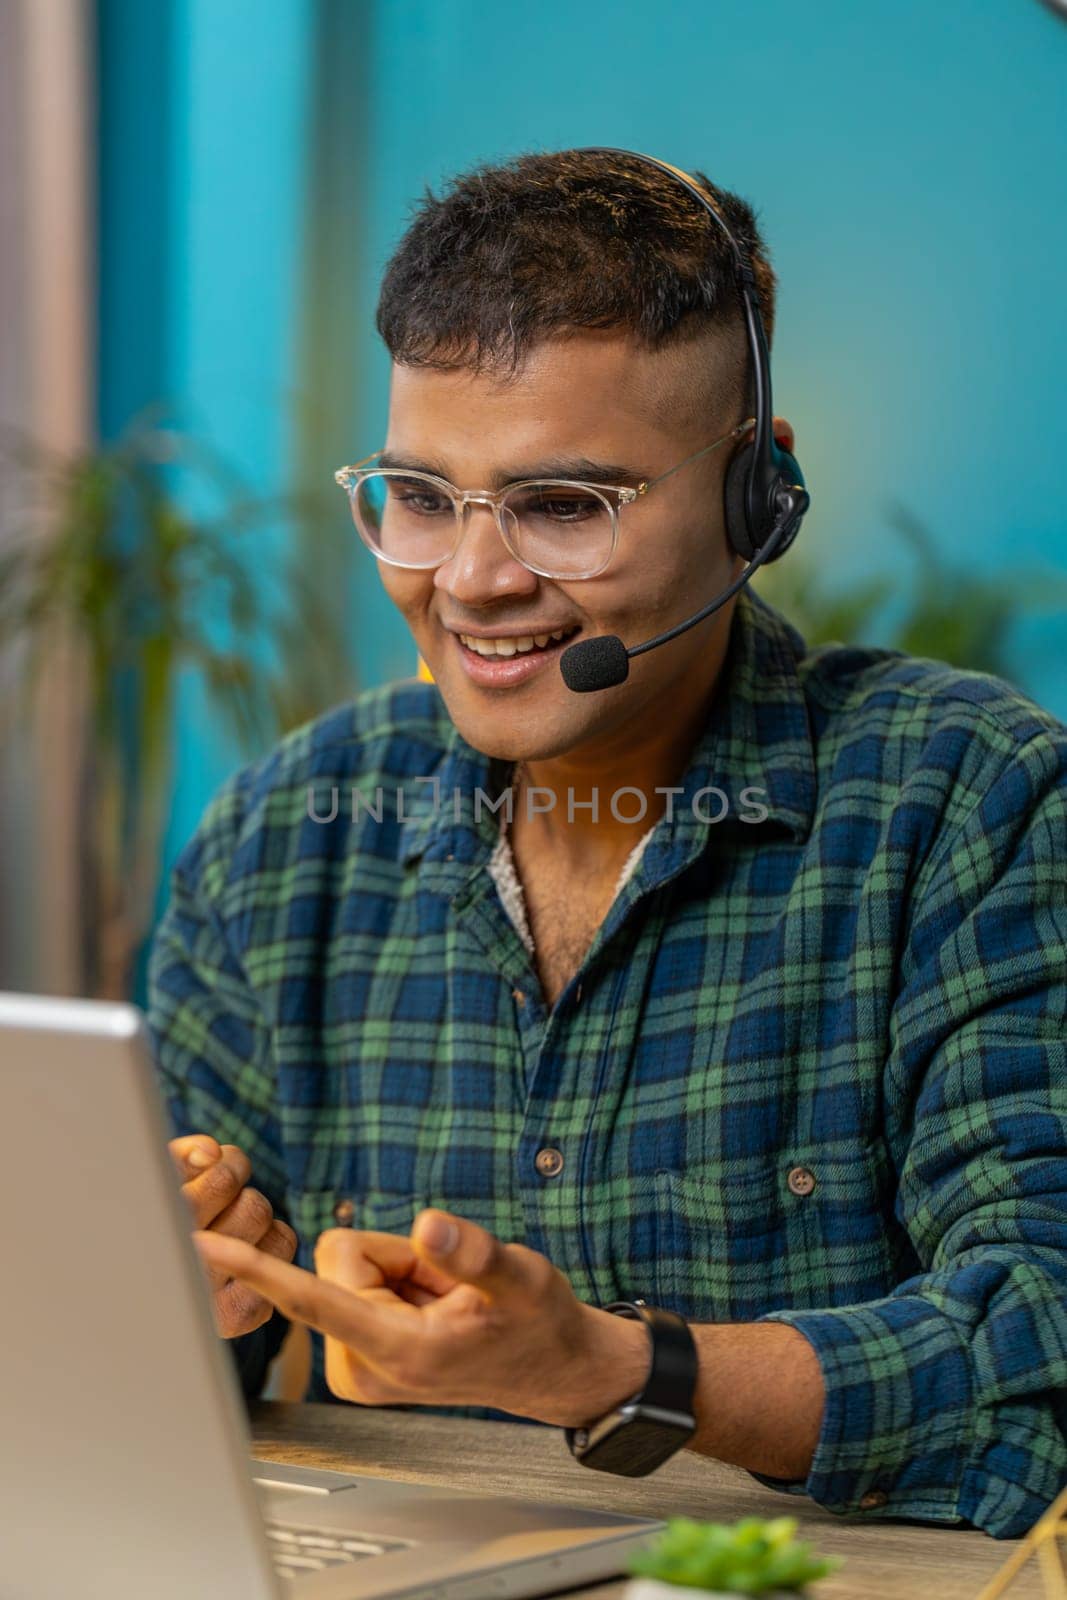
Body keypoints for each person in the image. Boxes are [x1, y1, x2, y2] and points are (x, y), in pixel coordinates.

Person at [147, 148, 1067, 1540]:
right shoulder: (286, 836)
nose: (471, 581)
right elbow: (150, 1399)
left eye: (564, 507)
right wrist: (179, 1284)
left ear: (759, 493)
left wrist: (613, 1373)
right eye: (418, 493)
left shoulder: (972, 807)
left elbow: (1041, 1332)